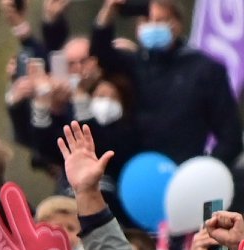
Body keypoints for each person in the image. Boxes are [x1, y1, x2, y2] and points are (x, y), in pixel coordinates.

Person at [91, 0, 240, 167]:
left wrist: (206, 170)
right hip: (137, 172)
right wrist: (109, 11)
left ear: (177, 24)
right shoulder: (133, 65)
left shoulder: (204, 70)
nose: (153, 26)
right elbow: (100, 53)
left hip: (186, 171)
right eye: (146, 21)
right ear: (138, 28)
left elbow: (230, 136)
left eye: (160, 20)